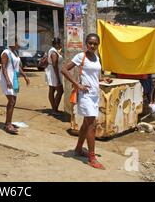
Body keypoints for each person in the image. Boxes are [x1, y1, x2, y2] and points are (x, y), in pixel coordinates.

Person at [61, 33, 112, 170]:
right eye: (90, 43)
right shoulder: (80, 56)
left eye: (95, 43)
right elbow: (64, 69)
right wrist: (77, 84)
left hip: (95, 95)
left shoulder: (96, 58)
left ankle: (78, 149)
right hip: (85, 96)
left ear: (98, 45)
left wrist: (103, 80)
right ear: (86, 43)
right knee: (92, 125)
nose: (92, 45)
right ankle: (92, 157)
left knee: (86, 124)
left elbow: (95, 77)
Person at [0, 37, 30, 135]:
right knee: (11, 101)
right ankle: (8, 125)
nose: (18, 44)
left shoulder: (14, 53)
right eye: (17, 42)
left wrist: (25, 76)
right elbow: (3, 67)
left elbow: (17, 66)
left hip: (14, 79)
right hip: (7, 79)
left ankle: (8, 122)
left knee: (13, 101)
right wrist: (8, 81)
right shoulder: (6, 53)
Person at [45, 38, 64, 113]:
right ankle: (55, 109)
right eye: (59, 43)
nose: (60, 45)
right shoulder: (53, 52)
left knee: (52, 90)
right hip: (54, 73)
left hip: (52, 72)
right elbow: (55, 65)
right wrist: (58, 78)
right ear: (56, 44)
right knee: (60, 91)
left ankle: (54, 109)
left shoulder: (54, 51)